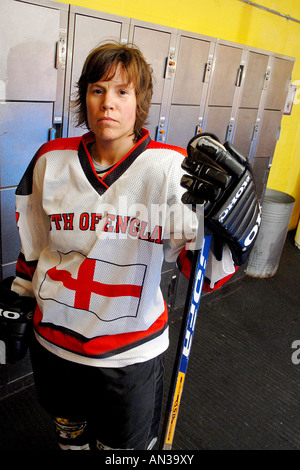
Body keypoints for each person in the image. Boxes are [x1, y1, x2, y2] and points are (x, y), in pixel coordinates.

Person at [0, 42, 260, 450]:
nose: (108, 103)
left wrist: (231, 231)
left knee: (123, 450)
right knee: (70, 436)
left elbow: (200, 271)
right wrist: (20, 295)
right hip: (55, 343)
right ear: (84, 96)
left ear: (140, 102)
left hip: (129, 356)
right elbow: (33, 246)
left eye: (123, 91)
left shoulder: (171, 171)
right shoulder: (51, 160)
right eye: (98, 89)